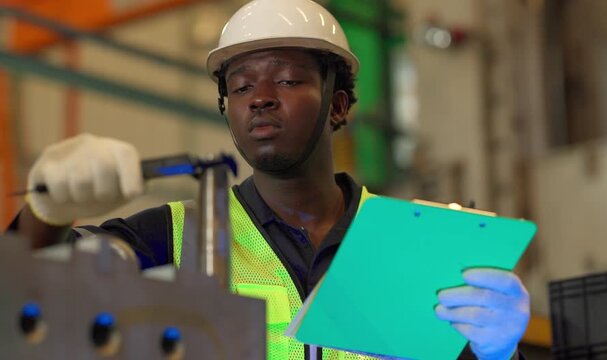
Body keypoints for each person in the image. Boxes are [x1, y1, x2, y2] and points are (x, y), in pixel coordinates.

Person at [8, 0, 530, 359]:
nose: (259, 96)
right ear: (227, 110)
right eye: (240, 87)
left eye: (286, 79)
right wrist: (46, 212)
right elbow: (24, 294)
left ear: (338, 105)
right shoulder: (169, 238)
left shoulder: (408, 245)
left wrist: (498, 352)